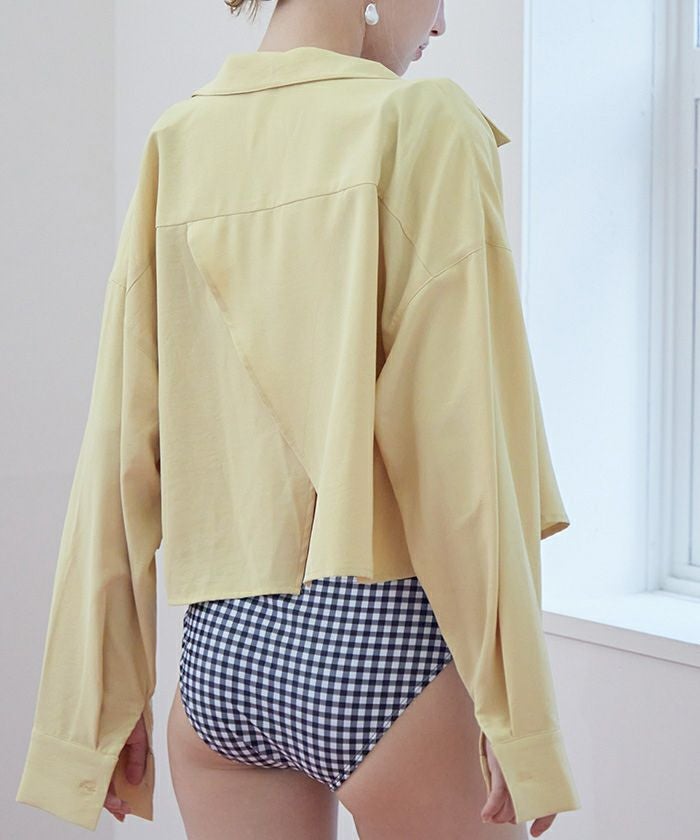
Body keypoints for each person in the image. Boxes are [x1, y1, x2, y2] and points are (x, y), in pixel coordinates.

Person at [16, 0, 582, 837]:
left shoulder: (180, 139)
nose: (441, 24)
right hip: (386, 645)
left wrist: (100, 698)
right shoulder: (421, 123)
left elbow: (120, 443)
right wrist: (517, 708)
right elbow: (462, 449)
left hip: (222, 658)